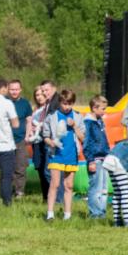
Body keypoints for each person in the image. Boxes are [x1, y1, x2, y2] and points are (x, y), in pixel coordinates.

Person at [42, 89, 85, 221]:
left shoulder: (77, 117)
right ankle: (50, 213)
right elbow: (45, 136)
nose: (67, 107)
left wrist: (75, 127)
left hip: (71, 155)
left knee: (69, 185)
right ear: (60, 102)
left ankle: (67, 214)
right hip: (57, 155)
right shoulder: (52, 117)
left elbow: (83, 138)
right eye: (64, 103)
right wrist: (51, 143)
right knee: (55, 184)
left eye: (69, 104)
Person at [83, 96, 111, 219]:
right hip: (95, 159)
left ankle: (102, 212)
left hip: (104, 158)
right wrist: (90, 160)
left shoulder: (100, 122)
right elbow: (87, 143)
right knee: (95, 187)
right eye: (103, 109)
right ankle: (95, 213)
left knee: (104, 189)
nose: (104, 112)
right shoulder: (88, 123)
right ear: (94, 108)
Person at [8, 80, 33, 199]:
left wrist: (27, 136)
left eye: (16, 89)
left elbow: (29, 121)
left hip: (21, 140)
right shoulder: (5, 102)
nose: (14, 92)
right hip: (6, 141)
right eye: (12, 89)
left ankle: (19, 192)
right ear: (8, 89)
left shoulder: (25, 104)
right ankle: (9, 190)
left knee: (21, 167)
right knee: (8, 167)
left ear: (20, 90)